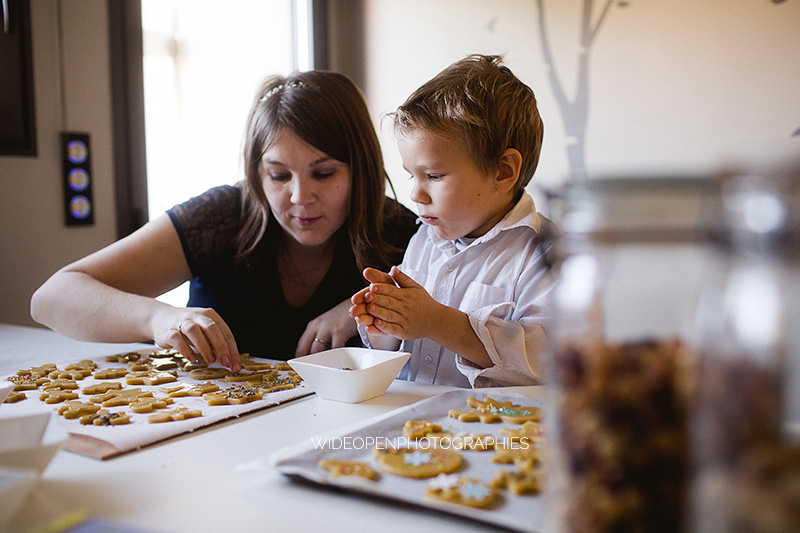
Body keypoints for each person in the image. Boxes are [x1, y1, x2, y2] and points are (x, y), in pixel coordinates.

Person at [31, 71, 418, 372]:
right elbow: (50, 299)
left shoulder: (402, 232)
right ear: (256, 173)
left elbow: (468, 333)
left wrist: (362, 309)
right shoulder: (220, 216)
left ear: (360, 170)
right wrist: (157, 317)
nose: (300, 197)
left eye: (324, 173)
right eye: (279, 176)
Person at [349, 54, 554, 388]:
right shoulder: (424, 239)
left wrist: (438, 322)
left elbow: (544, 359)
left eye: (433, 175)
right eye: (411, 176)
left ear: (503, 172)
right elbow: (396, 354)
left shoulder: (544, 253)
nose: (416, 194)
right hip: (413, 425)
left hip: (496, 434)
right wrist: (387, 322)